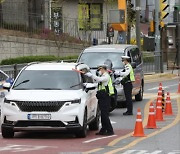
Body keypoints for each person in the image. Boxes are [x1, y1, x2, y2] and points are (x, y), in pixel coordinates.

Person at [84, 64, 114, 135]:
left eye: (100, 69)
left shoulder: (106, 76)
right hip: (102, 97)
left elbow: (98, 79)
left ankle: (110, 130)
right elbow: (97, 83)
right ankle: (103, 130)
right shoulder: (102, 76)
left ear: (103, 69)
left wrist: (91, 75)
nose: (99, 71)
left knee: (105, 115)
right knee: (102, 115)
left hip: (106, 97)